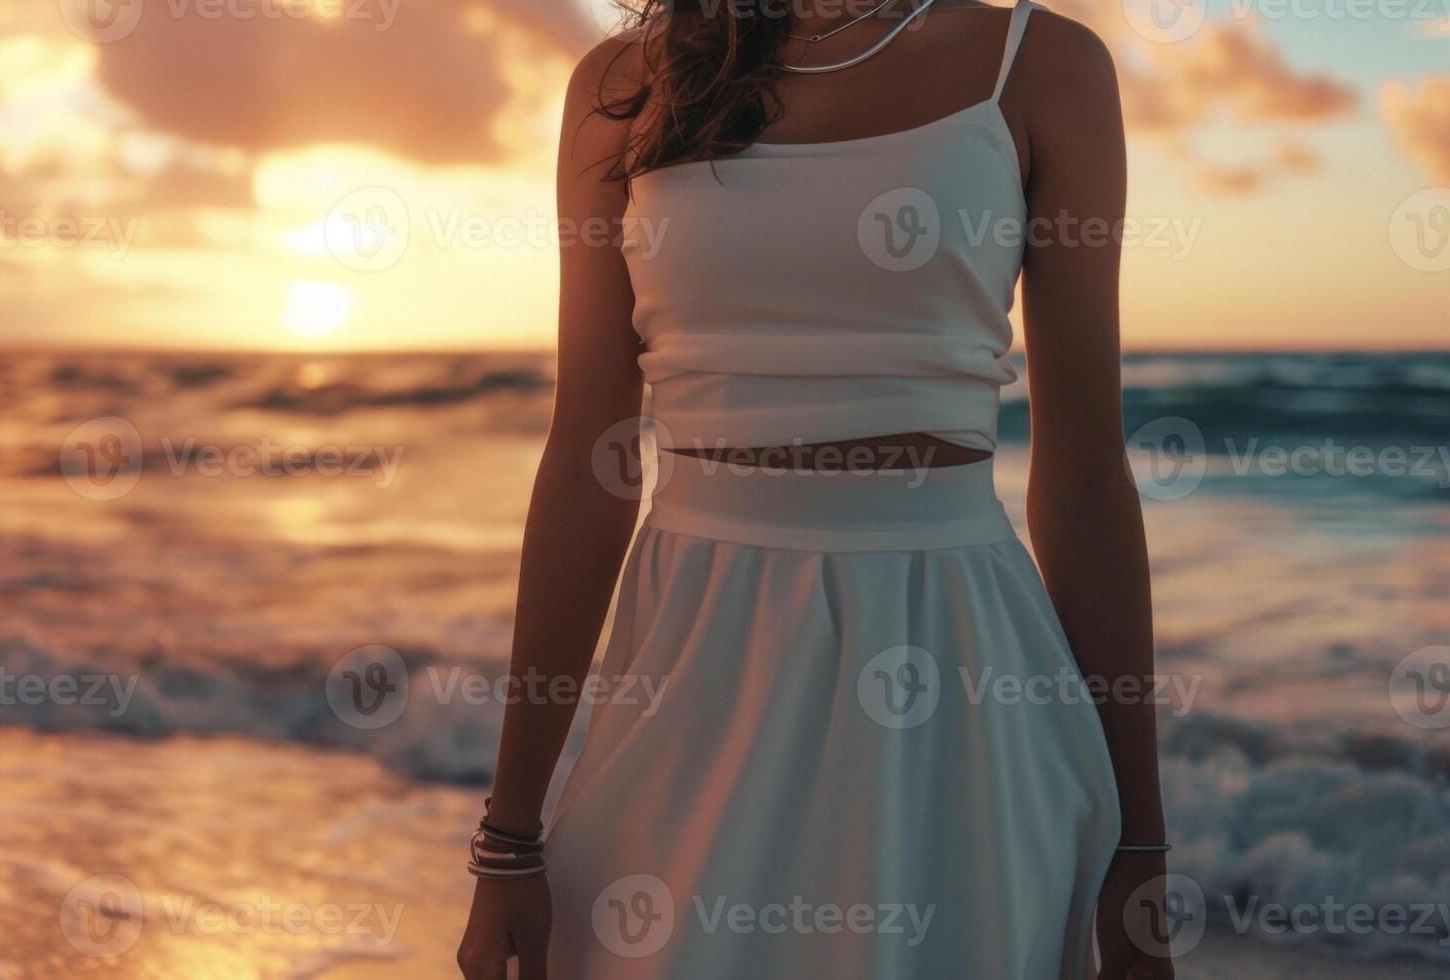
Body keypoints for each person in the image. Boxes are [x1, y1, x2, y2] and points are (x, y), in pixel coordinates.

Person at [459, 1, 1172, 976]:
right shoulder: (625, 87)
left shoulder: (1042, 66)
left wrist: (1142, 847)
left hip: (955, 681)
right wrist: (509, 830)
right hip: (692, 677)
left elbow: (1083, 482)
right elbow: (590, 459)